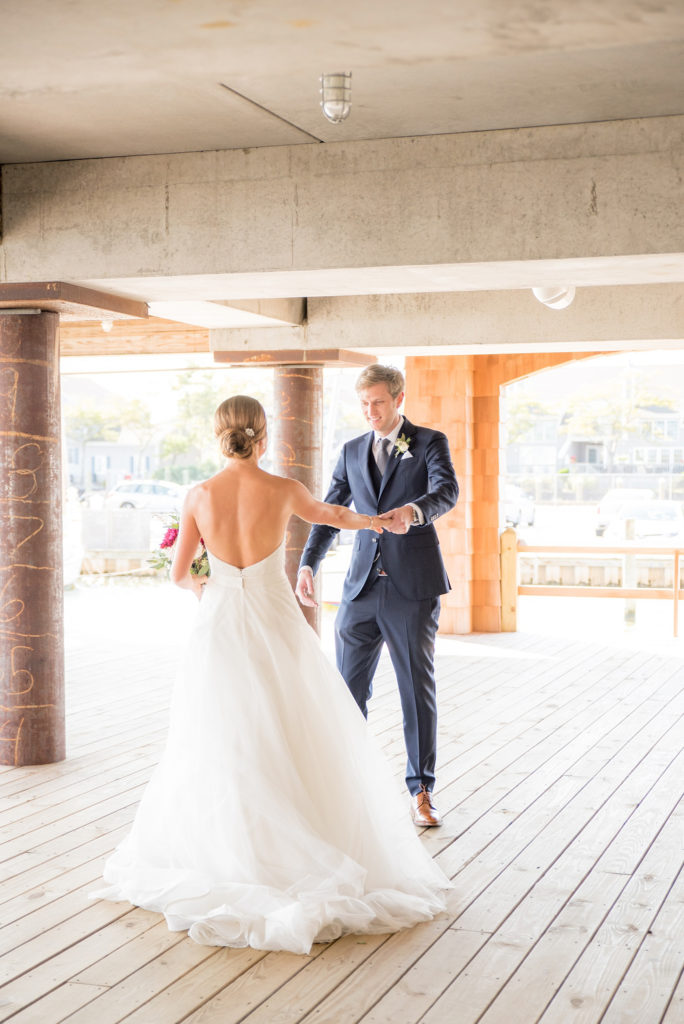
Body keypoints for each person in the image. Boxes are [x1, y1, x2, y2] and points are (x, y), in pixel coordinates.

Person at [91, 395, 450, 955]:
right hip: (274, 619)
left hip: (221, 626)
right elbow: (334, 516)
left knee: (220, 732)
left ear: (219, 437)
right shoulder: (282, 489)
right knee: (293, 721)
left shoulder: (199, 495)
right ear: (264, 438)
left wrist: (207, 588)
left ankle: (230, 846)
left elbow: (181, 572)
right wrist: (381, 521)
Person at [296, 365, 458, 828]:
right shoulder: (350, 451)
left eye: (379, 403)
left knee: (414, 688)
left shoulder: (429, 442)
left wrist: (415, 510)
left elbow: (447, 491)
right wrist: (309, 562)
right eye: (364, 404)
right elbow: (330, 510)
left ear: (399, 399)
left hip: (413, 588)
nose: (371, 412)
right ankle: (345, 786)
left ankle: (422, 790)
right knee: (347, 691)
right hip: (360, 588)